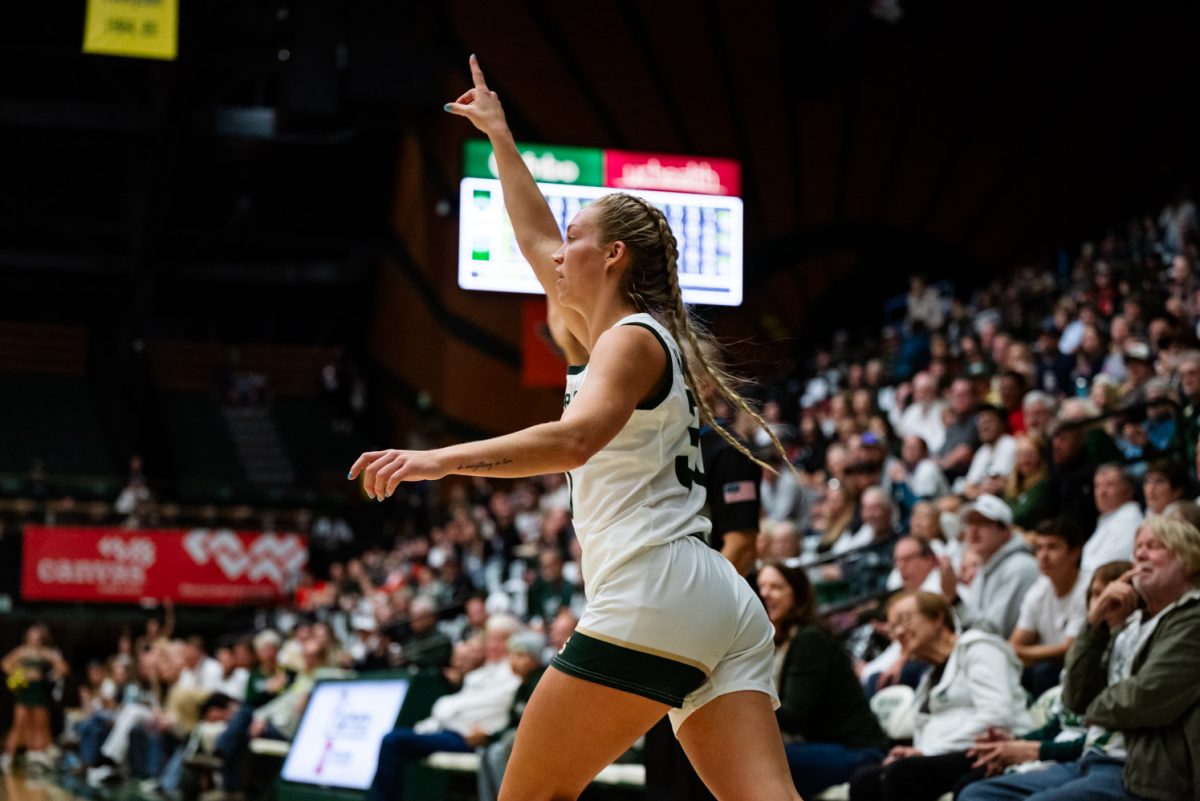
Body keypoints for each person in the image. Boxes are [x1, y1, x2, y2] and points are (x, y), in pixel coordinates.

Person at [351, 55, 801, 801]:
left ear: (613, 255)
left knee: (530, 795)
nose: (556, 251)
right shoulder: (620, 336)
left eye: (575, 236)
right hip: (715, 601)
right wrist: (499, 137)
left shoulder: (631, 336)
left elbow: (573, 440)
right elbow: (531, 234)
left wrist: (437, 461)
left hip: (657, 587)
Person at [959, 516, 1200, 801]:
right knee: (979, 794)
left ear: (1188, 560)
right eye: (1137, 547)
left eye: (1154, 546)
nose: (1140, 554)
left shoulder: (1192, 619)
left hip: (1139, 772)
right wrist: (1094, 624)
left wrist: (1091, 710)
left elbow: (1146, 696)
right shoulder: (1133, 625)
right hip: (1090, 760)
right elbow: (1074, 697)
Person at [848, 591, 1030, 801]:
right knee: (864, 779)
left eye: (905, 620)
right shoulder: (928, 676)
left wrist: (927, 752)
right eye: (893, 627)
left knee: (902, 773)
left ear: (937, 618)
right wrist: (919, 751)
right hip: (949, 753)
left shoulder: (979, 648)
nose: (899, 632)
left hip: (994, 749)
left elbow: (997, 717)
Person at [756, 563, 888, 798]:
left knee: (763, 760)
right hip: (822, 747)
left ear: (797, 595)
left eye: (775, 587)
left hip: (858, 751)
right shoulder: (778, 641)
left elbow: (794, 716)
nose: (765, 593)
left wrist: (745, 705)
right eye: (762, 587)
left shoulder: (809, 639)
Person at [1008, 518, 1088, 696]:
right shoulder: (1039, 588)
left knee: (1044, 671)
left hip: (1083, 672)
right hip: (1049, 669)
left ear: (1075, 553)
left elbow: (1070, 649)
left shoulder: (1088, 589)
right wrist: (1019, 651)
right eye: (1039, 548)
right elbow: (1015, 644)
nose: (1043, 555)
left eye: (1053, 547)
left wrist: (1021, 652)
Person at [944, 495, 1039, 638]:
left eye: (983, 523)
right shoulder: (986, 565)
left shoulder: (1020, 567)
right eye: (970, 524)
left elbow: (993, 633)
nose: (973, 531)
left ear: (1006, 530)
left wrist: (954, 599)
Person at [1, 624, 69, 772]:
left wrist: (50, 676)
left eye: (38, 636)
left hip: (39, 691)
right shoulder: (21, 651)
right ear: (28, 636)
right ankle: (8, 756)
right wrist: (17, 673)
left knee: (40, 725)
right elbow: (5, 663)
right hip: (25, 691)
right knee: (18, 724)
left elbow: (63, 668)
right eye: (33, 635)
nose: (36, 638)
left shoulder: (47, 653)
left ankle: (35, 755)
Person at [1082, 464, 1143, 572]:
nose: (1102, 492)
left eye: (1110, 485)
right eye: (1098, 486)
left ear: (1129, 490)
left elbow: (1105, 567)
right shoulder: (1109, 518)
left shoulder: (1129, 520)